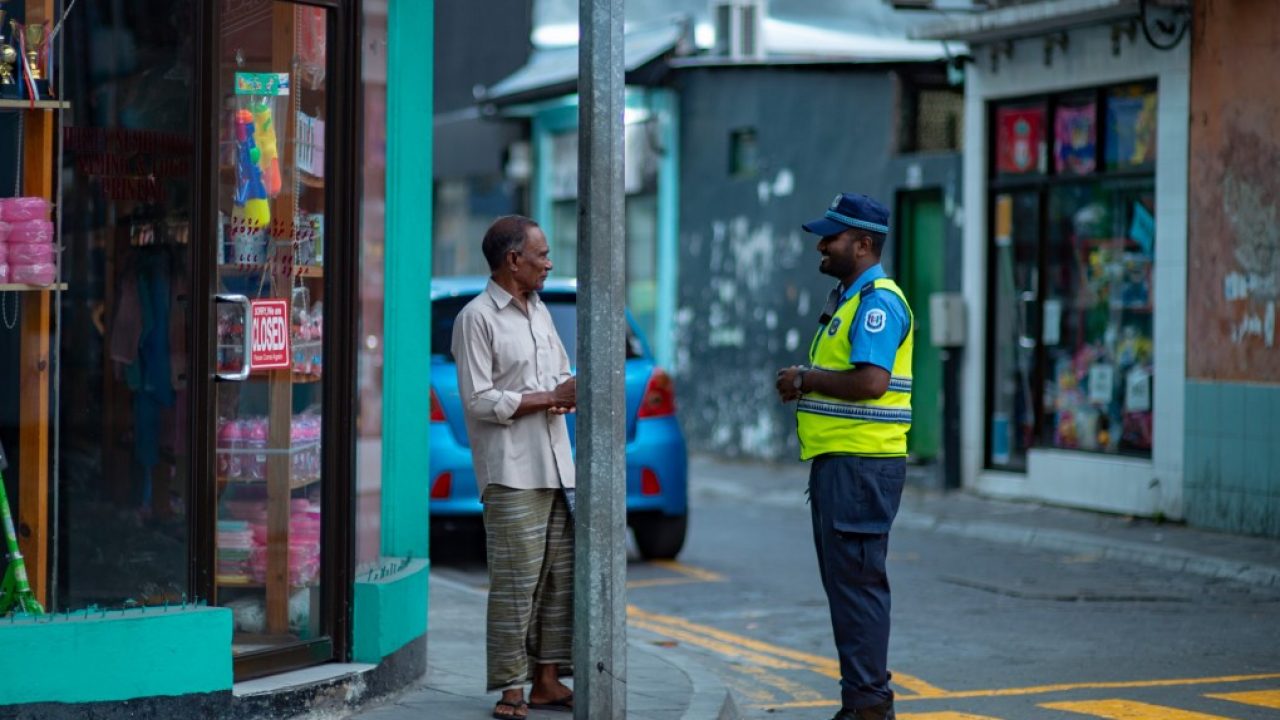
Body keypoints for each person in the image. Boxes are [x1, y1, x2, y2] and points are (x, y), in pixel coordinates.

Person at [774, 193, 914, 720]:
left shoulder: (877, 301)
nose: (821, 246)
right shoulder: (851, 297)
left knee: (858, 590)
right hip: (845, 465)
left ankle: (869, 706)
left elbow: (873, 382)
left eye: (830, 238)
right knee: (849, 588)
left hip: (861, 467)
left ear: (862, 243)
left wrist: (805, 379)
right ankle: (863, 700)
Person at [452, 215, 578, 719]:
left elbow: (561, 371)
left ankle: (547, 680)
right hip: (511, 472)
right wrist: (549, 396)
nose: (548, 263)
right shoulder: (476, 318)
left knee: (558, 580)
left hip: (556, 467)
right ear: (512, 260)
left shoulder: (540, 310)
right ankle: (511, 690)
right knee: (514, 584)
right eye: (541, 254)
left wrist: (565, 390)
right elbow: (478, 400)